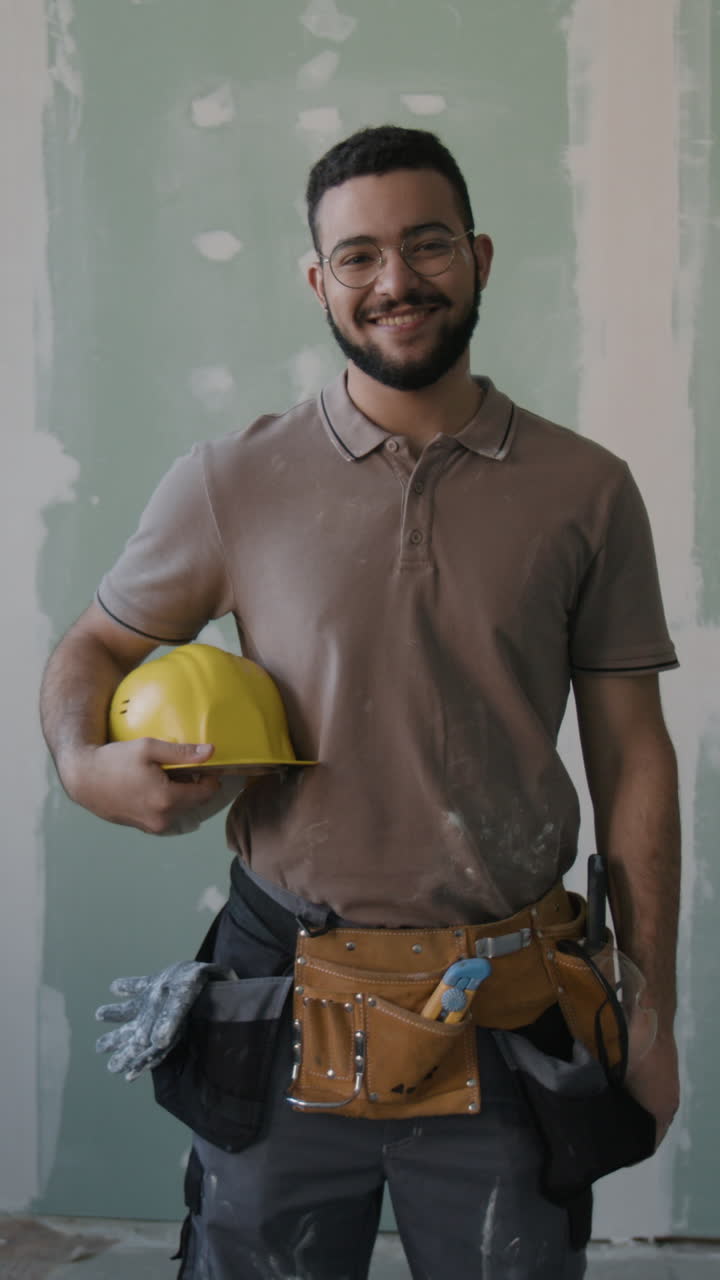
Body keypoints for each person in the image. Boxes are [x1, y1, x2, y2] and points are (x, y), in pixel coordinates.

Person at [40, 125, 680, 1279]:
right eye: (359, 256)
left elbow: (635, 756)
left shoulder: (587, 490)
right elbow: (92, 643)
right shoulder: (232, 480)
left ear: (479, 256)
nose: (396, 281)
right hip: (282, 992)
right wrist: (88, 768)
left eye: (428, 244)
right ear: (317, 279)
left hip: (509, 1000)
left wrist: (657, 1008)